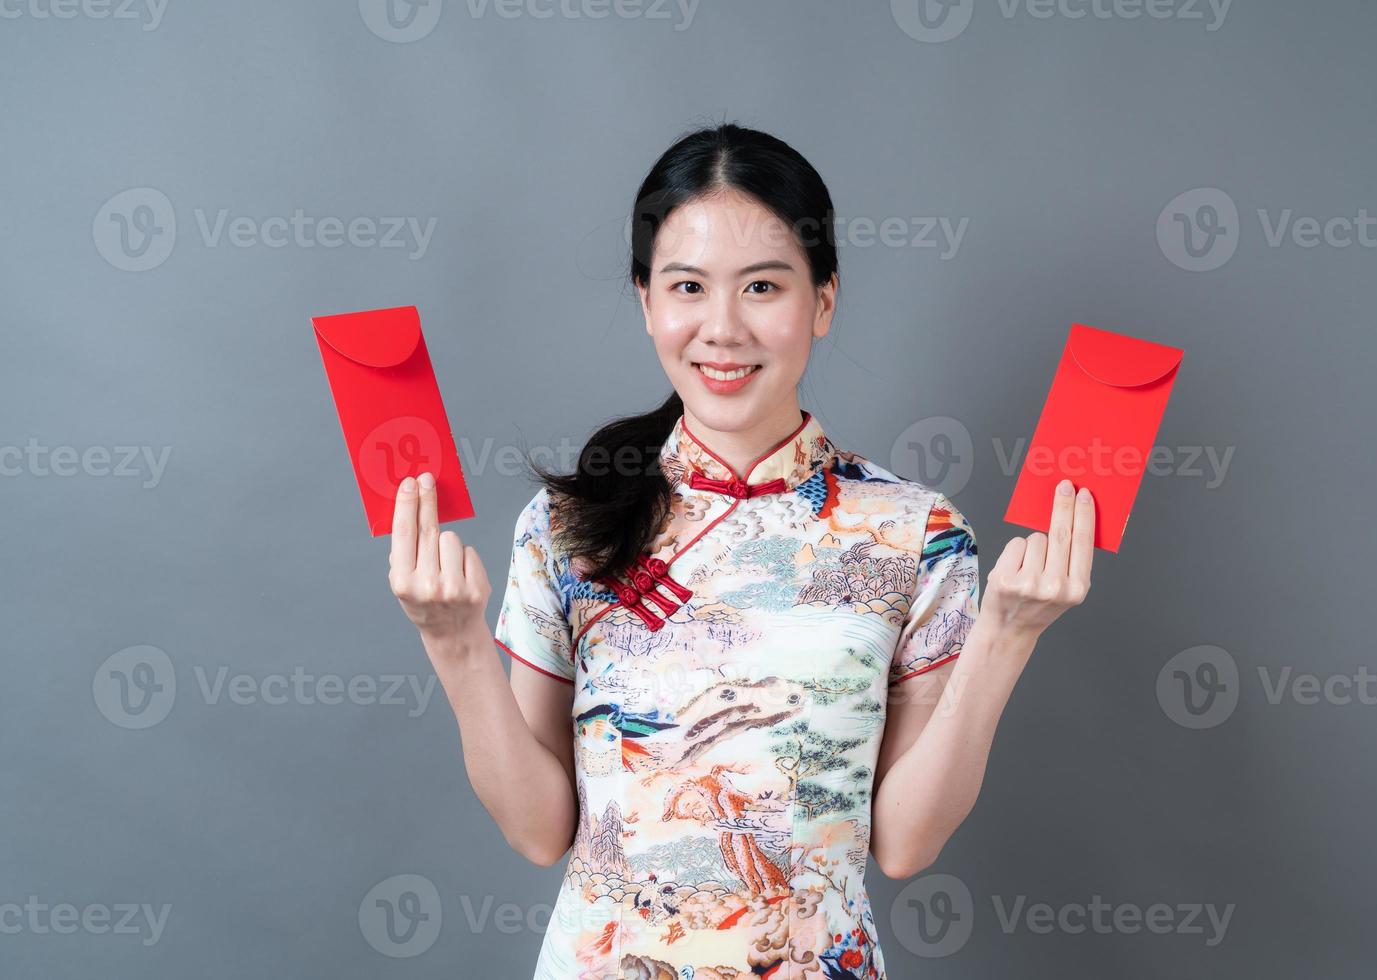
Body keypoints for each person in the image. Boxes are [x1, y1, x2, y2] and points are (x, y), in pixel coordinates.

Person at [386, 123, 1094, 979]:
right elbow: (540, 833)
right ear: (646, 300)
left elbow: (904, 846)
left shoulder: (916, 533)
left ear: (824, 301)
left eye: (763, 285)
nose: (722, 328)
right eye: (688, 285)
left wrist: (1008, 636)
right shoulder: (568, 525)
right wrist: (454, 645)